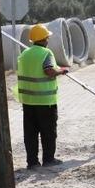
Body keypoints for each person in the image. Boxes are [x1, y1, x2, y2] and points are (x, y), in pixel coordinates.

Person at [16, 23, 68, 170]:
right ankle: (49, 159)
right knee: (48, 132)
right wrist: (61, 71)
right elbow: (49, 71)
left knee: (30, 133)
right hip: (45, 102)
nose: (48, 40)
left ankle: (32, 162)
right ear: (44, 39)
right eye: (47, 37)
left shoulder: (24, 54)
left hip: (28, 101)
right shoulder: (46, 53)